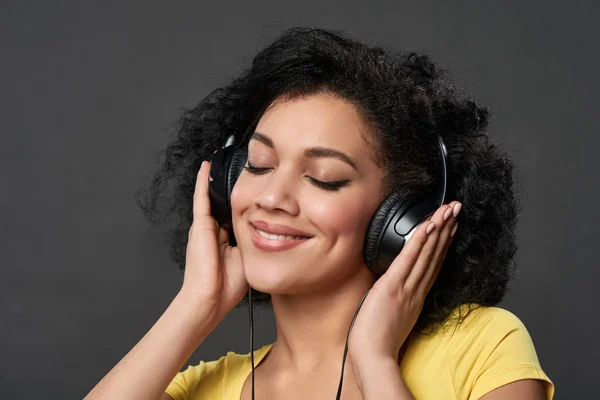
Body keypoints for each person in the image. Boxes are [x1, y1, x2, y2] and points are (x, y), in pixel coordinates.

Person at [85, 27, 554, 399]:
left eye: (324, 177)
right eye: (259, 164)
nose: (271, 198)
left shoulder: (482, 349)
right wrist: (195, 305)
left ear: (400, 220)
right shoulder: (204, 389)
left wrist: (375, 360)